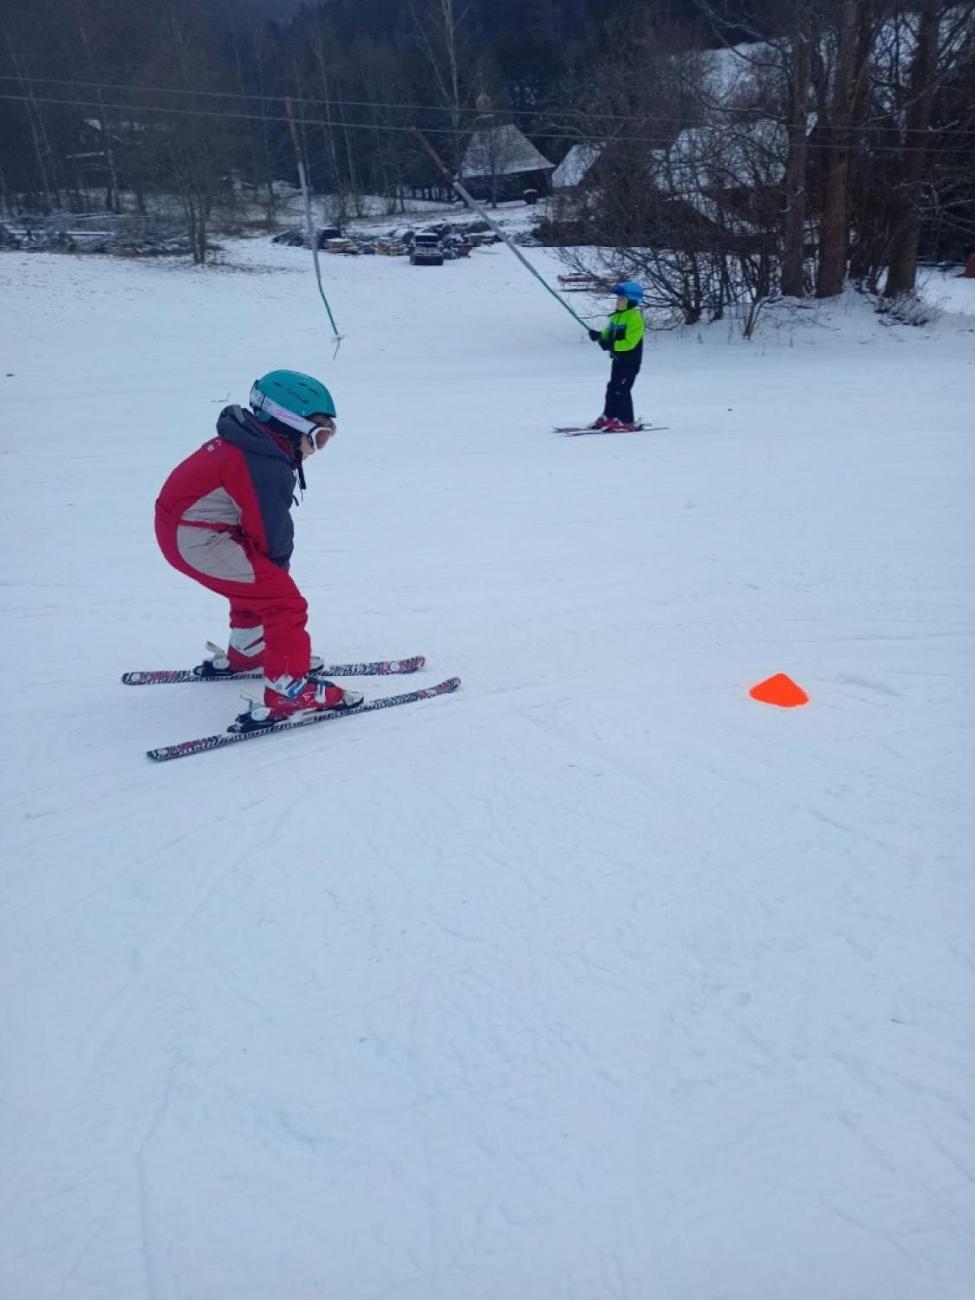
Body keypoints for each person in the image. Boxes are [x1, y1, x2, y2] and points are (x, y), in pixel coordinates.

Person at [154, 369, 363, 725]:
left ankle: (249, 648)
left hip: (189, 531)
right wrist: (276, 575)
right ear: (287, 424)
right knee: (283, 601)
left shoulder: (251, 443)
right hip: (196, 538)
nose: (317, 449)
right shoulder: (262, 463)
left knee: (258, 575)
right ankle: (289, 690)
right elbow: (270, 532)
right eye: (318, 438)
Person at [587, 280, 646, 431]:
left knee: (623, 389)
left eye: (622, 299)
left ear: (631, 301)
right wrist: (599, 336)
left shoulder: (635, 319)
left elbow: (629, 343)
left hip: (630, 361)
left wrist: (610, 345)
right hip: (617, 360)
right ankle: (610, 415)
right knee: (612, 387)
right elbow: (607, 336)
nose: (618, 302)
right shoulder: (616, 317)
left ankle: (626, 421)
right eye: (618, 299)